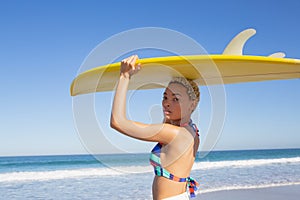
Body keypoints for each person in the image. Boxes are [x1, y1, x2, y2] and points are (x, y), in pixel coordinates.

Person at [110, 55, 200, 200]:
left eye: (175, 99)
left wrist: (124, 77)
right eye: (165, 97)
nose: (167, 103)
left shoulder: (172, 133)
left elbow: (118, 122)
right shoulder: (192, 131)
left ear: (192, 104)